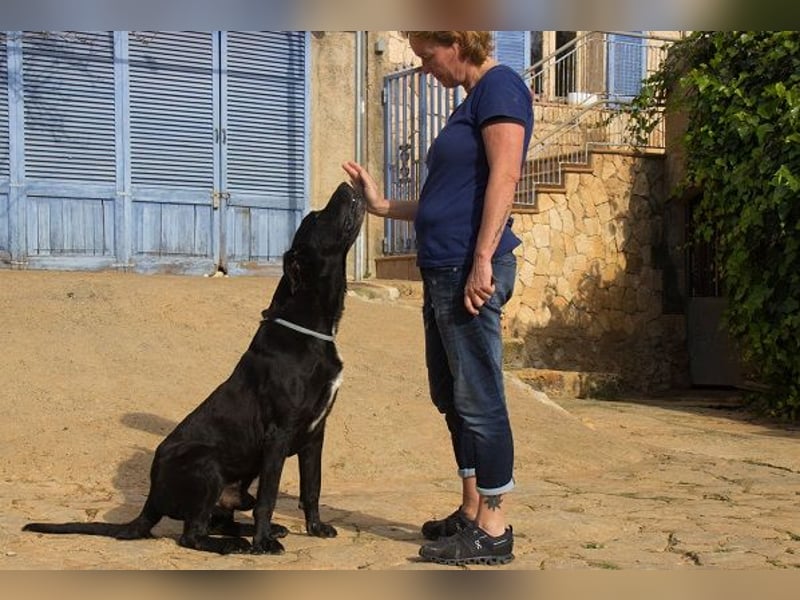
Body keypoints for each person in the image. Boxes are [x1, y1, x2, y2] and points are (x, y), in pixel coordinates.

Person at [342, 30, 533, 566]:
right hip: (443, 268)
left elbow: (506, 175)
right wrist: (383, 207)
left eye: (428, 57)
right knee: (451, 396)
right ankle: (472, 511)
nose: (426, 69)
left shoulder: (500, 88)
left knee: (480, 397)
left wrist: (480, 261)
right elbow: (441, 200)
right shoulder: (471, 102)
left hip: (467, 268)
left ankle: (494, 527)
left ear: (457, 39)